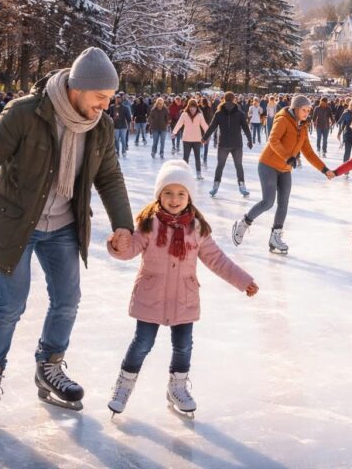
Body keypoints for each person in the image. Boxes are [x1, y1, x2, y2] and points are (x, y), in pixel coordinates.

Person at [0, 47, 134, 427]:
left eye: (109, 98)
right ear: (78, 88)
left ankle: (49, 365)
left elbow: (109, 177)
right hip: (17, 223)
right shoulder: (26, 112)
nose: (106, 105)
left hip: (65, 225)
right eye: (101, 97)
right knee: (10, 304)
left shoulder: (98, 127)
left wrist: (123, 224)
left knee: (68, 300)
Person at [105, 161, 258, 417]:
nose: (174, 199)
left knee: (184, 346)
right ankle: (123, 385)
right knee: (142, 343)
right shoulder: (149, 224)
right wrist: (117, 245)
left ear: (189, 198)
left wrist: (243, 280)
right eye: (168, 193)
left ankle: (177, 388)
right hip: (150, 296)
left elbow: (217, 260)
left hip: (184, 299)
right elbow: (129, 250)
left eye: (180, 193)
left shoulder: (196, 229)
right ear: (159, 195)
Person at [230, 95, 335, 254]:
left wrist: (324, 169)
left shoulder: (303, 126)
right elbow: (273, 140)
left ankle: (275, 237)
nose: (307, 113)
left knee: (283, 204)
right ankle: (243, 223)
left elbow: (308, 151)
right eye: (304, 110)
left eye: (308, 110)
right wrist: (288, 157)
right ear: (296, 108)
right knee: (268, 202)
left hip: (285, 169)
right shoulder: (283, 119)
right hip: (268, 165)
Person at [201, 92, 253, 198]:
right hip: (236, 144)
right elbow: (246, 127)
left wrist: (205, 137)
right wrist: (250, 140)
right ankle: (242, 186)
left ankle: (215, 186)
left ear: (224, 99)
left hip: (223, 144)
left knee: (220, 165)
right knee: (239, 166)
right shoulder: (239, 113)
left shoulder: (219, 113)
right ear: (234, 99)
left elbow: (212, 127)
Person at [172, 99, 209, 180]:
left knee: (197, 157)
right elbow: (179, 124)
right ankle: (184, 173)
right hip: (186, 140)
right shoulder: (184, 114)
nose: (192, 109)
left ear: (196, 107)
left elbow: (204, 125)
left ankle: (198, 174)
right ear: (188, 107)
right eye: (190, 107)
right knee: (185, 157)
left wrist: (208, 134)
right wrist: (174, 132)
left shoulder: (199, 115)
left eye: (194, 107)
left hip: (197, 139)